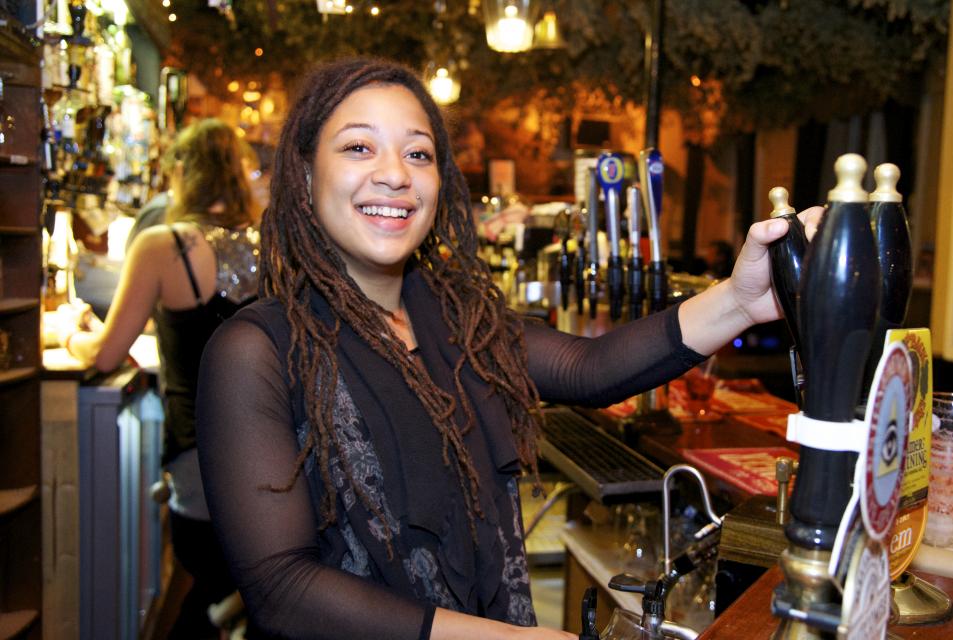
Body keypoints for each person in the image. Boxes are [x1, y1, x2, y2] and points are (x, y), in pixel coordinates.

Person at [195, 58, 822, 640]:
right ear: (304, 177)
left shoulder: (457, 321)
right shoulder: (256, 351)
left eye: (419, 153)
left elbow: (590, 367)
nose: (395, 174)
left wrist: (741, 301)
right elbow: (283, 588)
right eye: (359, 147)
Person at [62, 118, 259, 639]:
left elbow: (107, 354)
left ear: (182, 172)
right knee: (239, 594)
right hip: (275, 460)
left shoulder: (163, 245)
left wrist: (71, 335)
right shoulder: (272, 245)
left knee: (200, 587)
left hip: (201, 461)